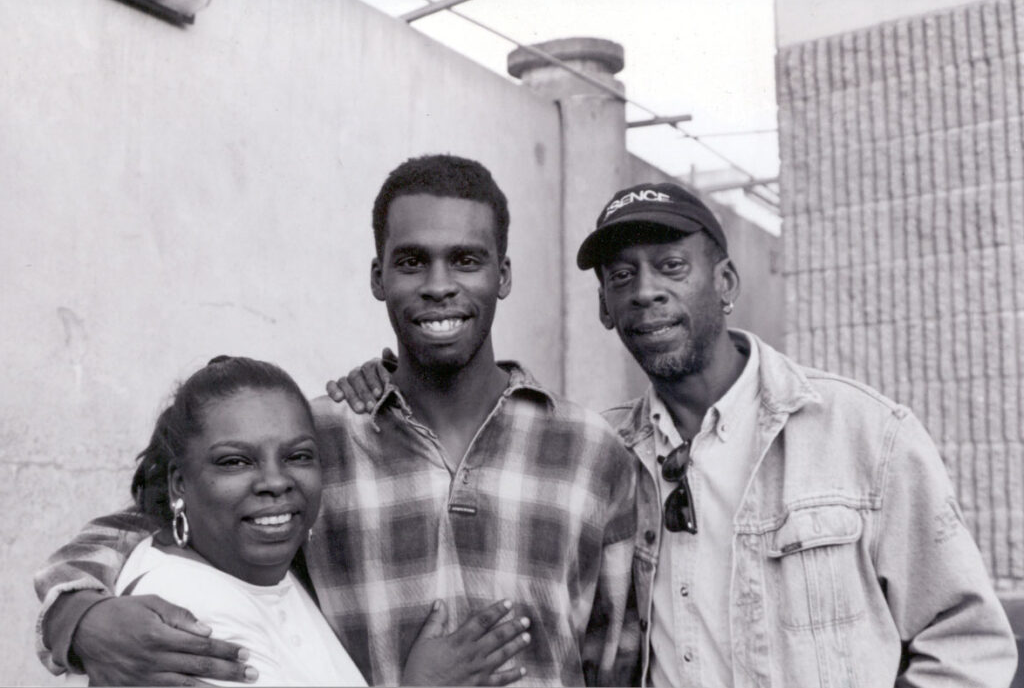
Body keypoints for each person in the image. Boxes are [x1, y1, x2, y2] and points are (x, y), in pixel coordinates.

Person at [332, 181, 1018, 687]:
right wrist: (383, 384)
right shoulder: (597, 456)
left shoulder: (862, 434)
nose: (645, 291)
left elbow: (967, 643)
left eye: (671, 266)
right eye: (622, 275)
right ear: (604, 307)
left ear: (724, 281)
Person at [35, 155, 639, 686]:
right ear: (378, 277)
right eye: (410, 262)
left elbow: (614, 659)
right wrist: (79, 617)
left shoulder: (590, 449)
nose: (437, 286)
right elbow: (146, 524)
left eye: (465, 260)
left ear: (501, 276)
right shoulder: (314, 442)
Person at [38, 354, 527, 686]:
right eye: (235, 461)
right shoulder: (184, 617)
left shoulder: (272, 577)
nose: (275, 481)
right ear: (177, 485)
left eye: (298, 456)